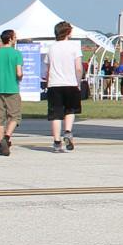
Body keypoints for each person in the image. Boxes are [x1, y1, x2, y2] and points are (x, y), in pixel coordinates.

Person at [42, 20, 83, 153]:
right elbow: (78, 68)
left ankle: (56, 141)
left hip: (54, 84)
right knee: (70, 110)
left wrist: (47, 83)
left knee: (56, 114)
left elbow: (47, 69)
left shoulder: (51, 48)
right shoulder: (74, 47)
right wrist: (78, 82)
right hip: (70, 83)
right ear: (68, 32)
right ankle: (68, 131)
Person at [0, 29, 24, 156]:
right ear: (11, 38)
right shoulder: (16, 54)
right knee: (15, 116)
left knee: (0, 118)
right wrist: (19, 77)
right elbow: (19, 72)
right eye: (15, 36)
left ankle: (1, 141)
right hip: (12, 89)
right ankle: (7, 137)